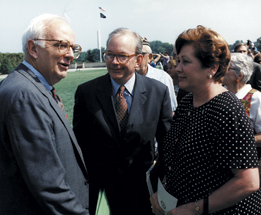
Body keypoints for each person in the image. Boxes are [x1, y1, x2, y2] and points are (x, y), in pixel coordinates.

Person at [151, 25, 261, 215]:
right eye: (178, 61)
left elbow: (248, 182)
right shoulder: (187, 102)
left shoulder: (227, 109)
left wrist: (195, 209)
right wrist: (162, 191)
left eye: (185, 61)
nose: (177, 68)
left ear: (212, 68)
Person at [0, 14, 89, 215]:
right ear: (33, 48)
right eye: (61, 45)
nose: (69, 54)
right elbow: (48, 185)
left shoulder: (26, 87)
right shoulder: (25, 95)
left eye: (73, 48)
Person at [73, 27, 172, 215]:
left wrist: (161, 183)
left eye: (122, 56)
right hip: (101, 194)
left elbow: (167, 143)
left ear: (138, 60)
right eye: (109, 55)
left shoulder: (157, 92)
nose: (114, 62)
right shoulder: (86, 93)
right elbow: (80, 144)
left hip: (144, 193)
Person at [223, 53, 261, 184]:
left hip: (247, 167)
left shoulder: (256, 98)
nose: (221, 70)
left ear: (239, 75)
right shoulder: (222, 95)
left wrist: (236, 141)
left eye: (227, 68)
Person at [136, 37, 177, 113]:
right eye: (132, 55)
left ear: (149, 57)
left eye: (140, 55)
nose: (136, 59)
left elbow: (171, 111)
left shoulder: (163, 78)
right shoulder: (124, 79)